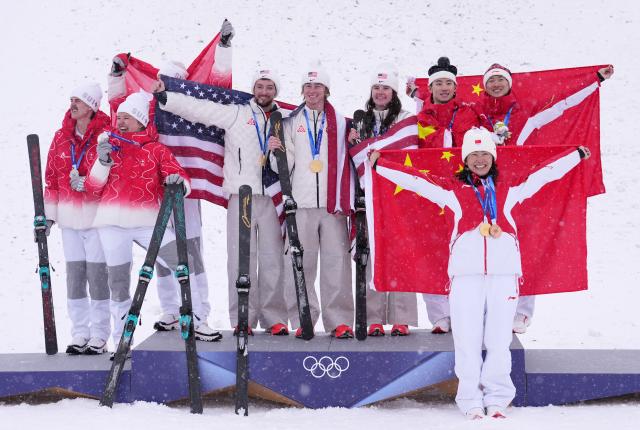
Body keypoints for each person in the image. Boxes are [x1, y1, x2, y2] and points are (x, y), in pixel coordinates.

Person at [373, 126, 590, 419]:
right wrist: (380, 165)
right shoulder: (453, 190)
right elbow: (416, 181)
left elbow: (543, 174)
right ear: (465, 159)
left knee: (499, 339)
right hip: (466, 276)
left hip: (504, 275)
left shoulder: (510, 187)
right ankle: (470, 398)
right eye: (473, 154)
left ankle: (499, 397)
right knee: (467, 339)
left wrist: (574, 156)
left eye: (484, 154)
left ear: (493, 157)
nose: (479, 159)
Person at [151, 67, 290, 335]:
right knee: (240, 259)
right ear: (253, 89)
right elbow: (200, 109)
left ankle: (275, 318)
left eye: (269, 87)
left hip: (273, 196)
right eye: (260, 86)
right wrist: (167, 96)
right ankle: (242, 317)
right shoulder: (238, 112)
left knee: (273, 259)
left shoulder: (284, 119)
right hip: (241, 195)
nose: (264, 91)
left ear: (276, 91)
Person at [477, 63, 614, 332]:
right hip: (485, 190)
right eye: (490, 81)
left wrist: (593, 80)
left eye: (500, 80)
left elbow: (562, 105)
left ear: (509, 84)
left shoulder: (525, 114)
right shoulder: (476, 115)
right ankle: (488, 308)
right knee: (487, 248)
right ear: (484, 86)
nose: (495, 85)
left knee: (526, 247)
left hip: (521, 191)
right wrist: (419, 94)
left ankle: (522, 311)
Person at [84, 91, 220, 351]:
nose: (121, 122)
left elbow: (180, 177)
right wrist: (102, 161)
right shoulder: (108, 145)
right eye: (119, 117)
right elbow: (92, 188)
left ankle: (198, 319)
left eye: (127, 118)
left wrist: (178, 182)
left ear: (140, 121)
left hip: (149, 224)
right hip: (112, 224)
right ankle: (122, 340)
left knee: (184, 263)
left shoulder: (156, 150)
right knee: (119, 282)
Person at [268, 62, 354, 339]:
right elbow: (284, 163)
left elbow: (350, 157)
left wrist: (356, 140)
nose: (312, 91)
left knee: (336, 263)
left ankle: (339, 320)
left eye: (317, 86)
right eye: (307, 86)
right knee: (299, 262)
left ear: (327, 90)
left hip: (333, 205)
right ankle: (302, 316)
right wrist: (275, 151)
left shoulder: (342, 124)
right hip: (301, 204)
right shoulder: (291, 122)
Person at [347, 64, 417, 336]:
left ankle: (402, 317)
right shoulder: (360, 121)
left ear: (394, 92)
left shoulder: (406, 119)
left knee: (400, 255)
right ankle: (373, 315)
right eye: (376, 88)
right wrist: (353, 141)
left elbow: (408, 150)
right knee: (369, 255)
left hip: (397, 197)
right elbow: (354, 158)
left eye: (385, 88)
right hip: (368, 196)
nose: (380, 92)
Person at [43, 83, 111, 355]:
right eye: (71, 99)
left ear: (92, 106)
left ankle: (100, 334)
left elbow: (114, 175)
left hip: (96, 219)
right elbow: (50, 178)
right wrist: (49, 216)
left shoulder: (105, 136)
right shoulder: (61, 137)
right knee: (75, 278)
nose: (73, 104)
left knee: (97, 278)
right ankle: (80, 333)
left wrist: (90, 182)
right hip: (69, 220)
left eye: (79, 101)